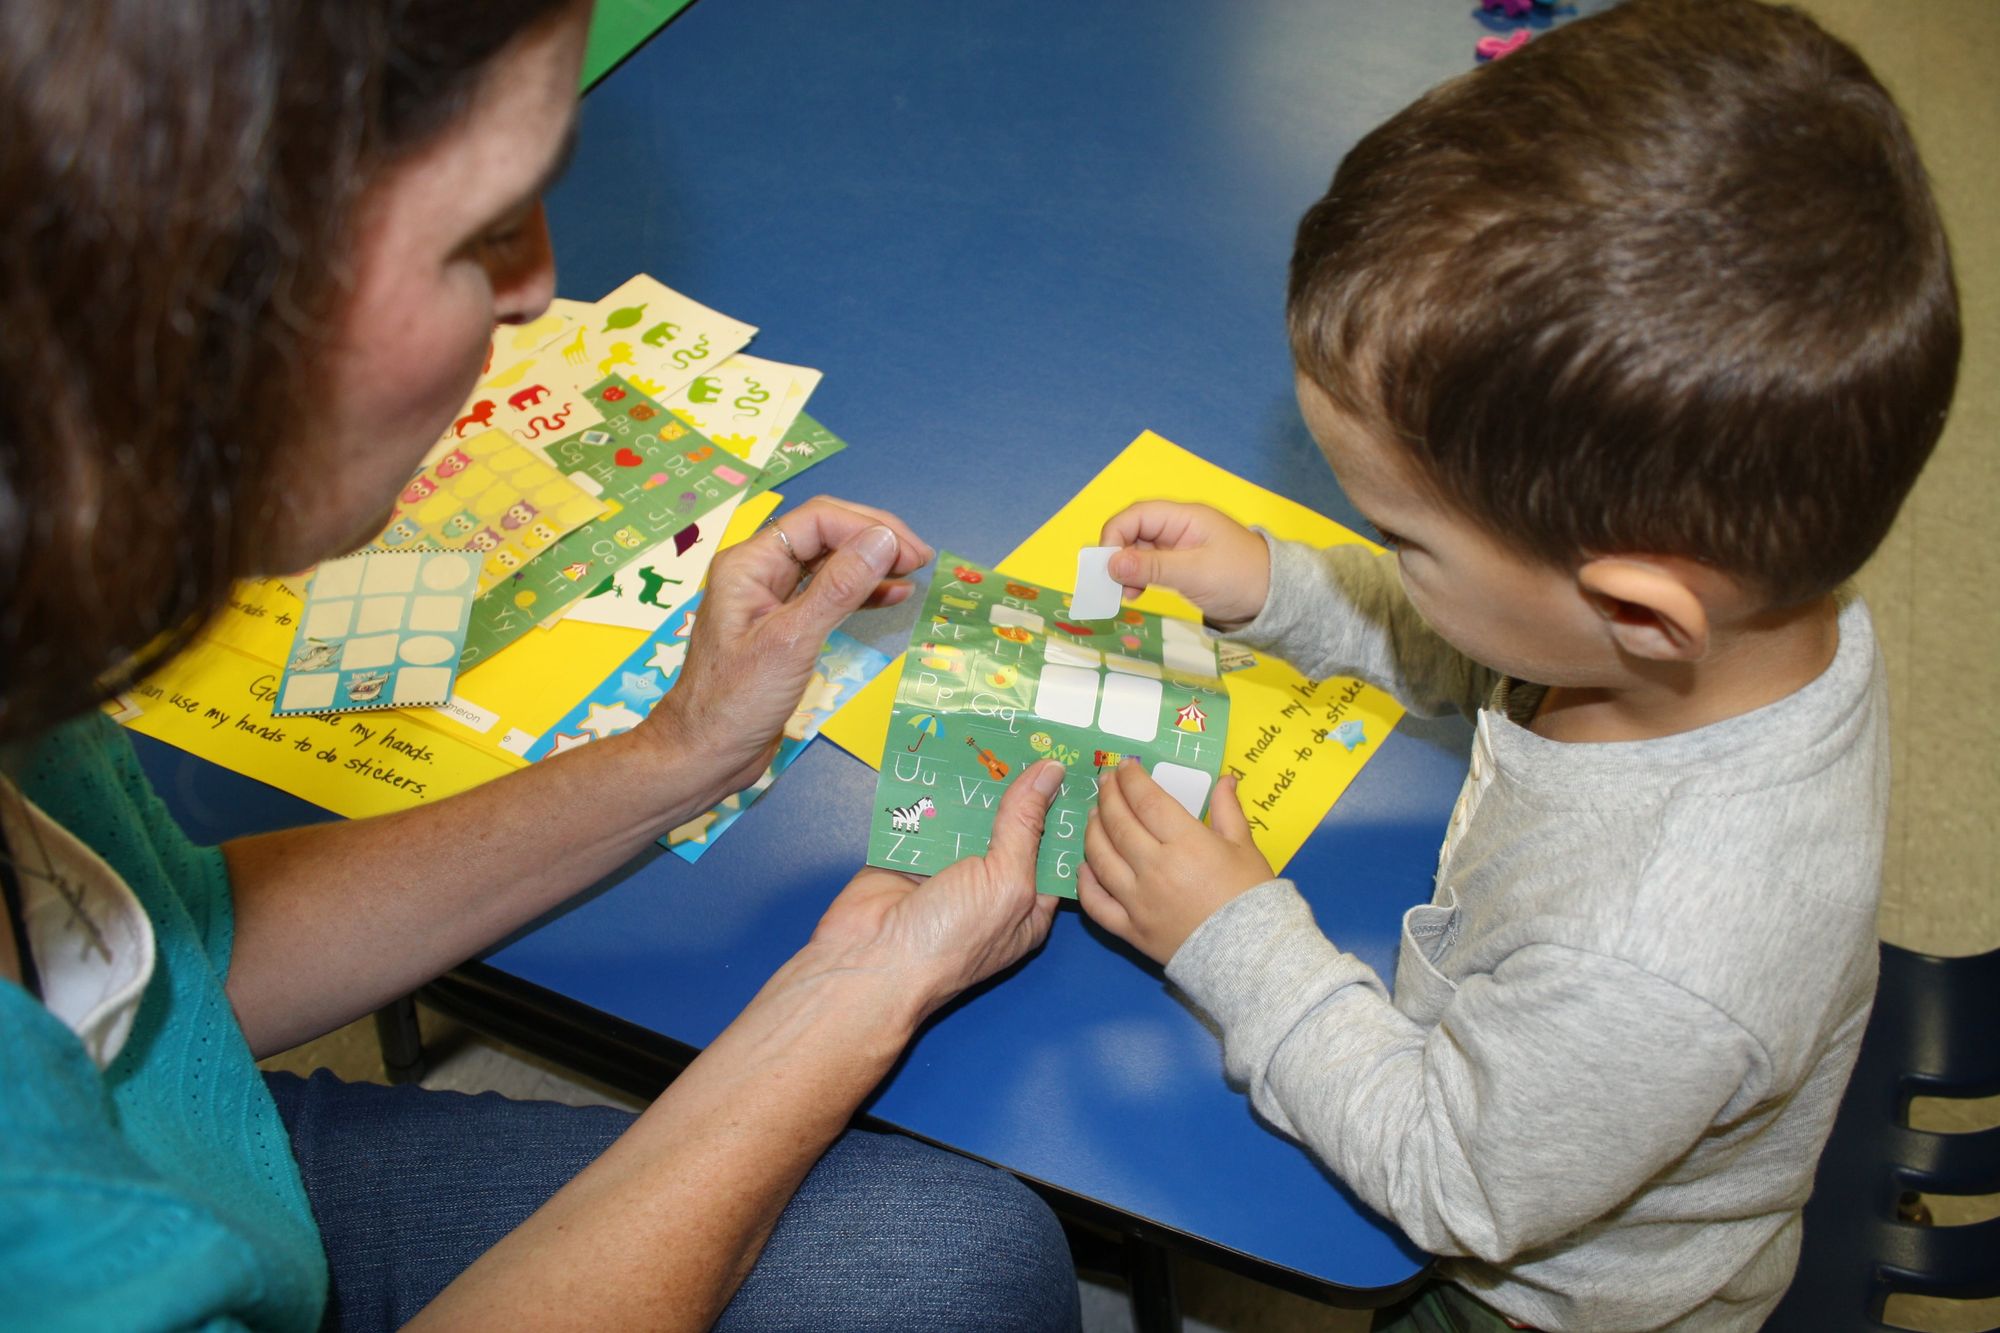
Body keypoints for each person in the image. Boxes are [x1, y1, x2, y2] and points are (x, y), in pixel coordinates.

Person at [0, 2, 1081, 1329]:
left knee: (958, 1248)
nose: (539, 289)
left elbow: (171, 944)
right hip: (141, 1213)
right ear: (176, 302)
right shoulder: (41, 1237)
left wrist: (681, 746)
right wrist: (844, 998)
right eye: (485, 228)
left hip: (177, 1121)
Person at [1072, 1, 1958, 1329]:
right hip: (1550, 1065)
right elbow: (1482, 646)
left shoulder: (1660, 959)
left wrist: (1230, 934)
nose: (1385, 554)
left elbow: (1447, 1176)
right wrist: (1278, 581)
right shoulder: (1737, 612)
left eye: (1402, 541)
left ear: (1642, 612)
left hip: (1554, 1294)